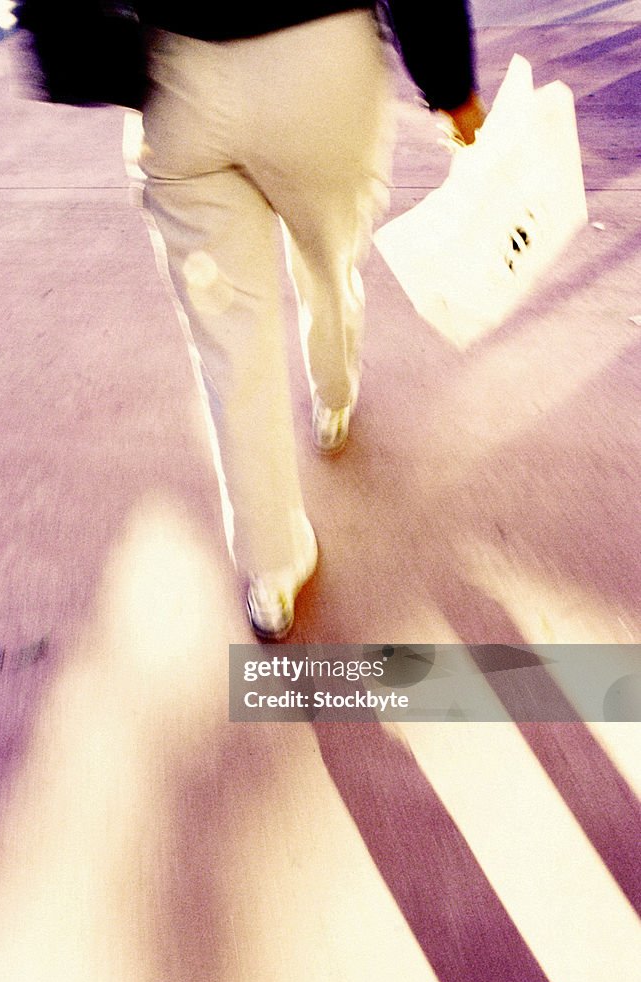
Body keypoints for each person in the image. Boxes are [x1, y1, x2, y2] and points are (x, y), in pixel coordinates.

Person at [136, 1, 486, 639]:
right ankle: (333, 393)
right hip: (322, 52)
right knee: (329, 262)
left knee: (229, 343)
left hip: (172, 66)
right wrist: (450, 84)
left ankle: (271, 568)